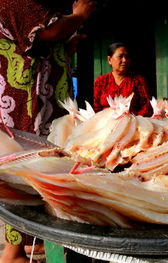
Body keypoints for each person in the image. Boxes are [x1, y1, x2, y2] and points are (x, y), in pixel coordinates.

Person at [0, 0, 97, 262]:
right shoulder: (14, 3)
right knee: (30, 174)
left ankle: (29, 244)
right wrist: (78, 15)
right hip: (29, 107)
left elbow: (41, 46)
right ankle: (14, 252)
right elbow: (45, 33)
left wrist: (66, 46)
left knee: (37, 173)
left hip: (41, 104)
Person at [93, 42, 152, 116]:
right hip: (105, 124)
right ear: (109, 59)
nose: (124, 60)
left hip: (132, 123)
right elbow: (96, 107)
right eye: (120, 56)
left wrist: (135, 119)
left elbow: (147, 106)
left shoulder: (138, 80)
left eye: (127, 57)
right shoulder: (101, 81)